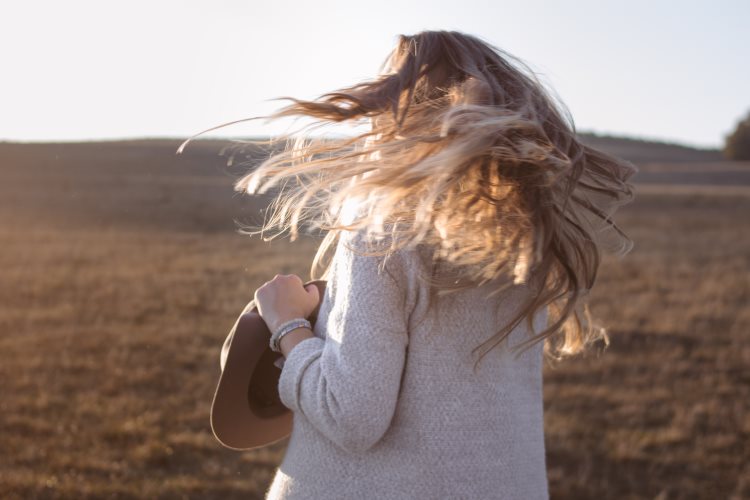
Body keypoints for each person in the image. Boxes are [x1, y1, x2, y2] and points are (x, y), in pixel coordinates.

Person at [188, 29, 637, 499]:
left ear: (402, 108)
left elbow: (352, 415)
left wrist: (286, 325)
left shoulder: (385, 233)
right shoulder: (524, 249)